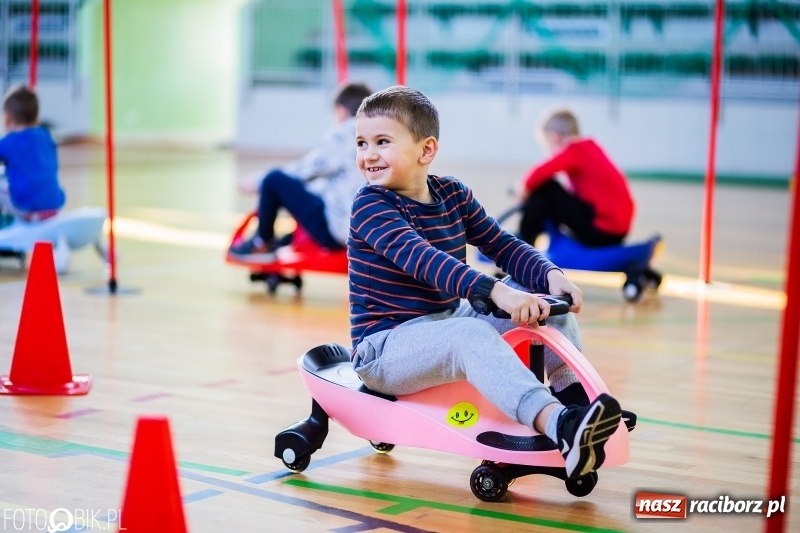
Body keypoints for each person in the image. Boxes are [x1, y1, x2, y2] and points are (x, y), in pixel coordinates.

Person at [348, 85, 622, 480]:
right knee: (468, 334)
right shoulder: (370, 204)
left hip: (446, 319)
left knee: (537, 300)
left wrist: (551, 276)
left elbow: (502, 244)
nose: (368, 154)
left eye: (382, 141)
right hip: (385, 345)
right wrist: (496, 291)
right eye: (361, 143)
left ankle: (578, 410)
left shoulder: (453, 194)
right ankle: (559, 425)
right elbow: (425, 260)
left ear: (426, 151)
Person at [229, 82, 372, 262]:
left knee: (275, 180)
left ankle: (261, 242)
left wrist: (257, 181)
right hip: (366, 232)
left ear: (341, 111)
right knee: (314, 192)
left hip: (338, 233)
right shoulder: (375, 136)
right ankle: (287, 239)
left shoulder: (343, 134)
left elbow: (305, 170)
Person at [515, 109, 634, 248]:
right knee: (551, 194)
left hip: (602, 230)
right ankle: (528, 239)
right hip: (615, 229)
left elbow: (540, 172)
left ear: (554, 137)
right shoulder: (589, 147)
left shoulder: (575, 149)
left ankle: (521, 245)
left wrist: (523, 190)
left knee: (547, 187)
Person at [0, 85, 65, 228]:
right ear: (36, 119)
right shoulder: (47, 136)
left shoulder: (9, 142)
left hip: (26, 208)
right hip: (54, 207)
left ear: (7, 118)